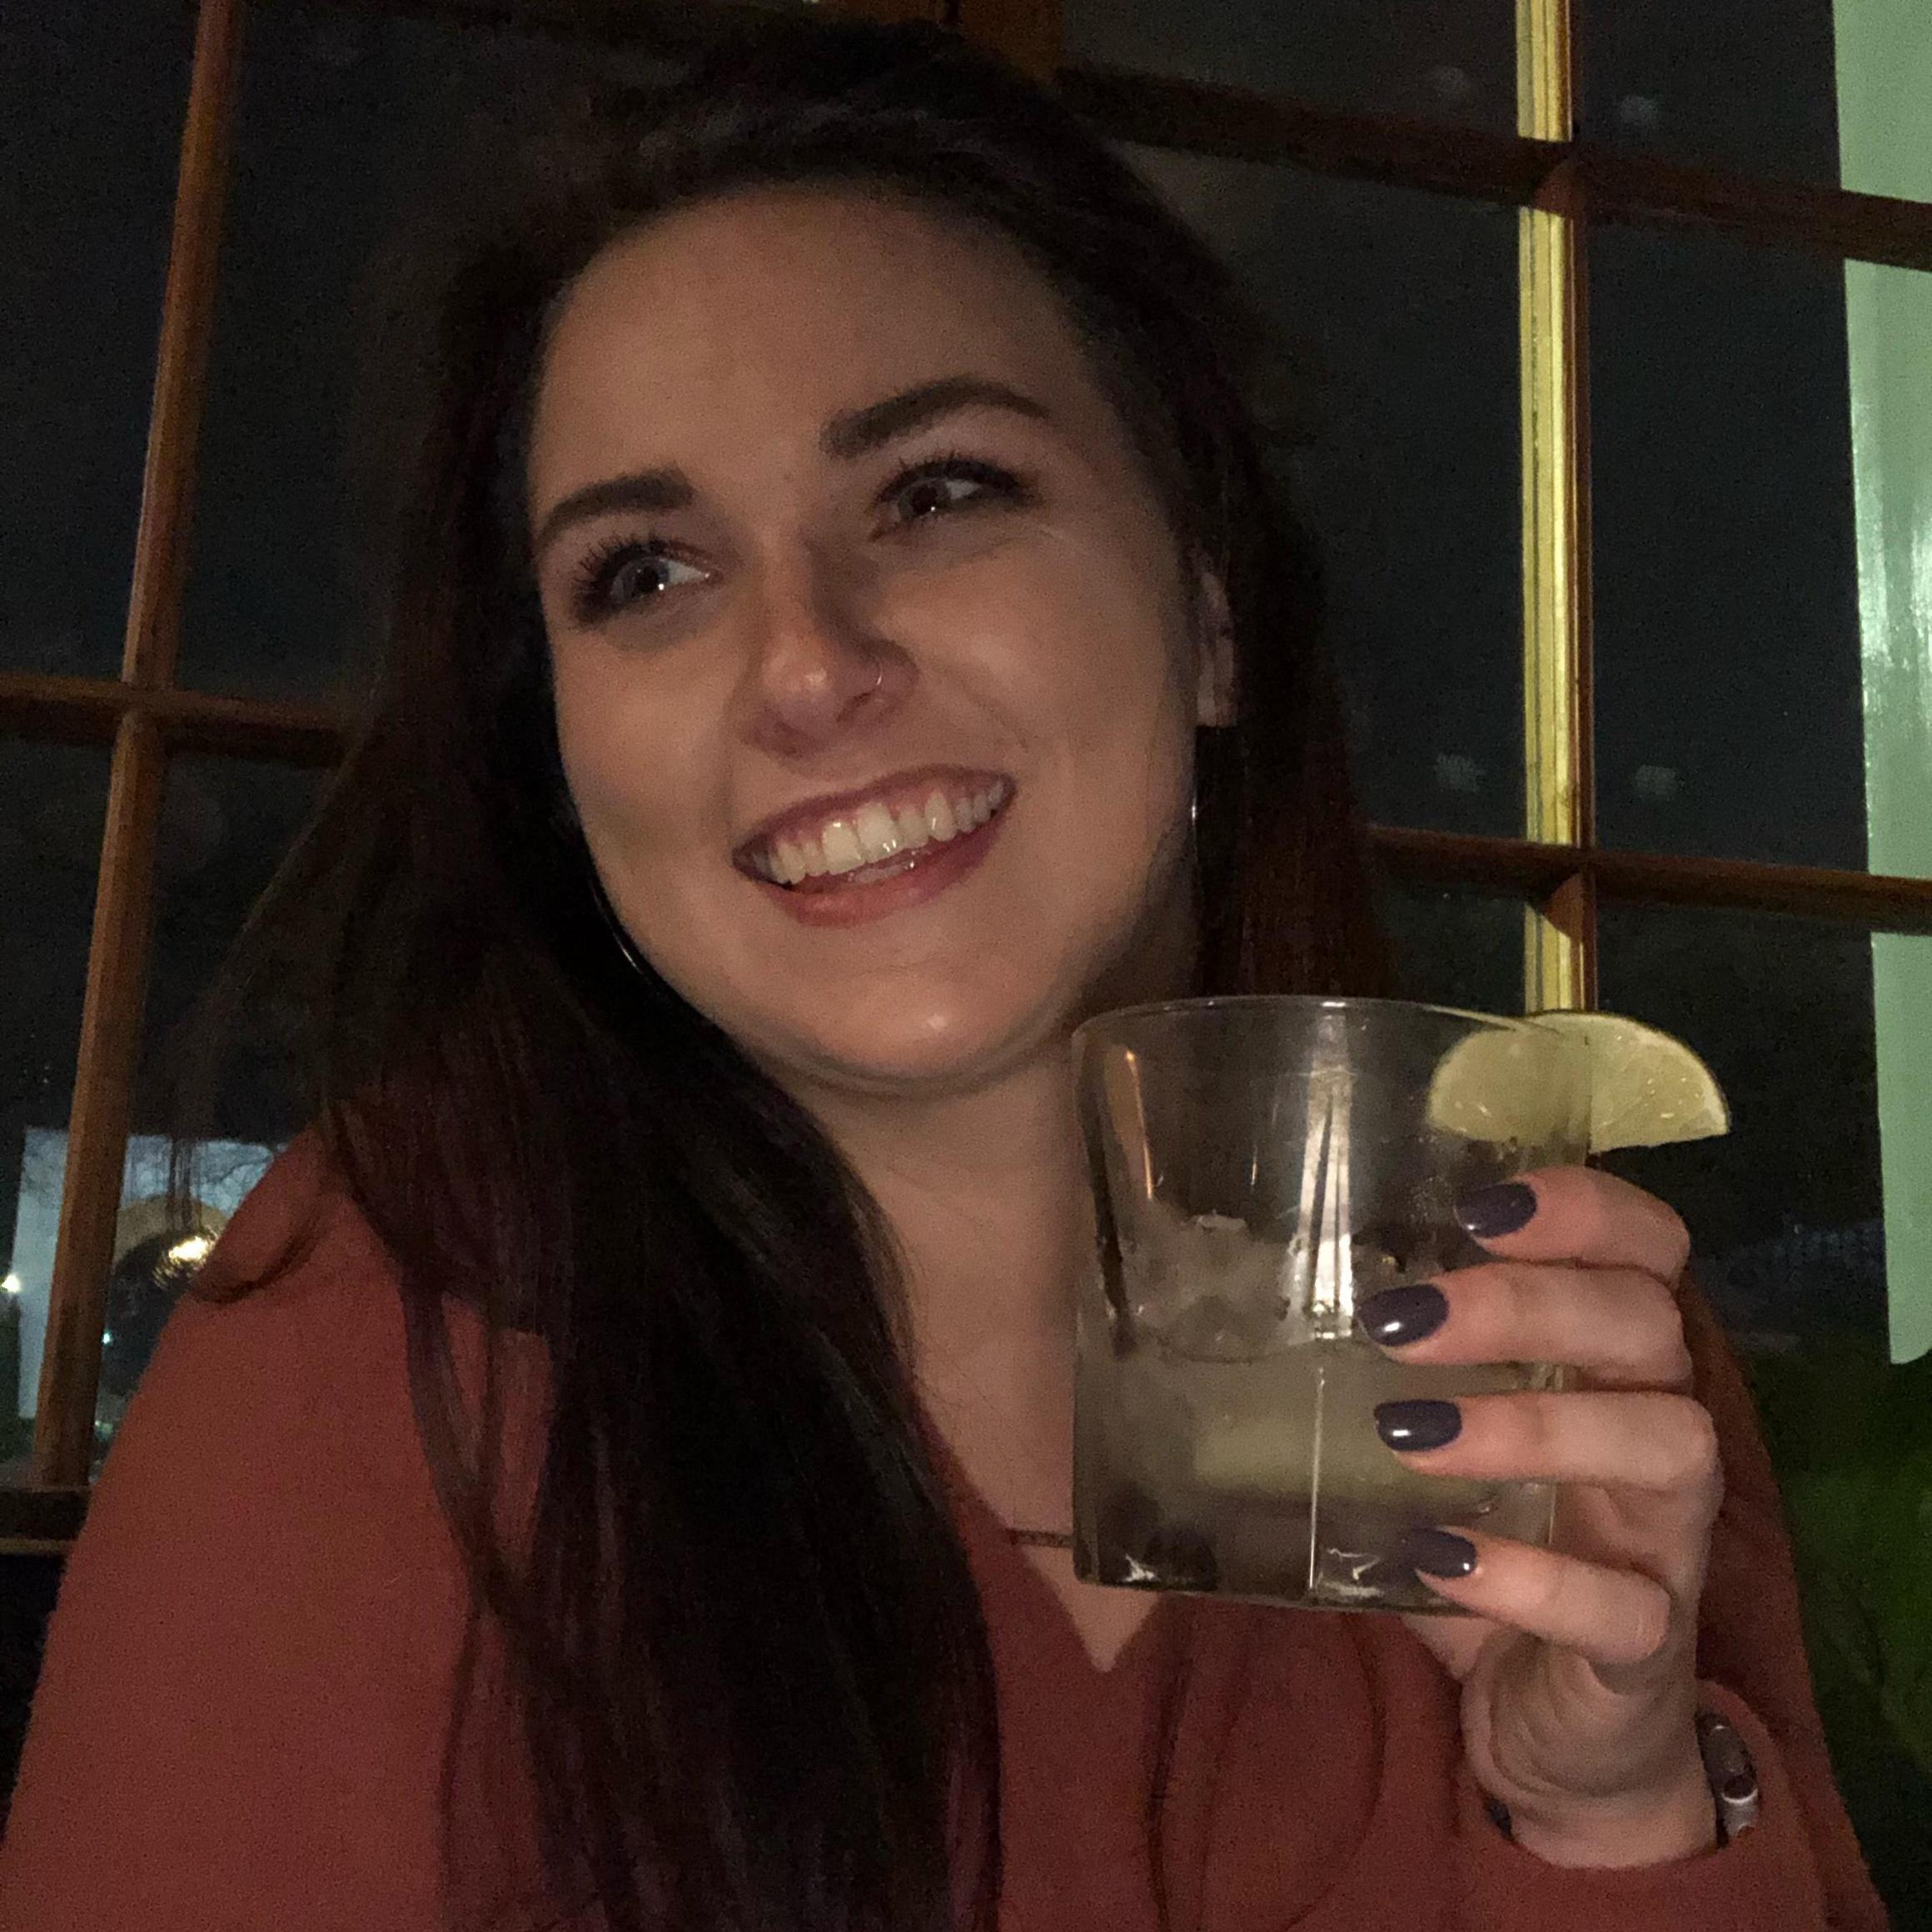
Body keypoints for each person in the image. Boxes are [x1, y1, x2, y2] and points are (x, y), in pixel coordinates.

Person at [0, 18, 1887, 1932]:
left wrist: (1605, 1805)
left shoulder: (1523, 1329)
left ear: (1205, 610)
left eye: (934, 490)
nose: (806, 664)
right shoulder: (384, 1325)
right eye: (645, 572)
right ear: (559, 756)